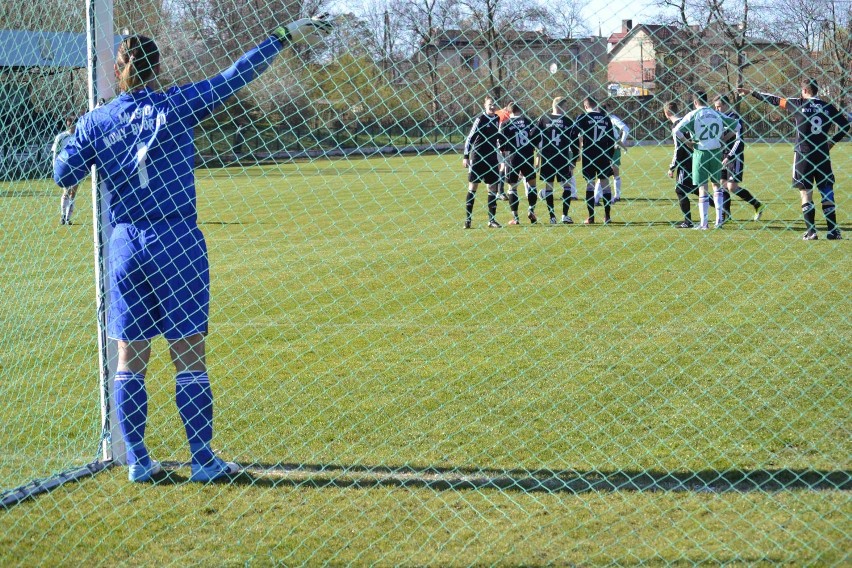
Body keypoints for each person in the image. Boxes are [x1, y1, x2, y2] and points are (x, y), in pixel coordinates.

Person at [53, 16, 333, 482]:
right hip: (176, 239)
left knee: (129, 356)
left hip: (125, 244)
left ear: (117, 70)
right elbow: (233, 77)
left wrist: (65, 148)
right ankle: (202, 458)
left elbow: (65, 175)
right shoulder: (178, 103)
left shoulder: (96, 121)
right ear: (158, 68)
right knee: (187, 353)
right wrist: (281, 38)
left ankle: (140, 462)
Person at [739, 79, 849, 240]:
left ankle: (811, 232)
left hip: (803, 155)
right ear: (816, 91)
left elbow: (774, 99)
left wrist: (751, 92)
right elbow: (845, 125)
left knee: (805, 193)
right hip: (822, 155)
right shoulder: (827, 107)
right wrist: (831, 141)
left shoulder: (798, 104)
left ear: (804, 91)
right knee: (826, 191)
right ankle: (833, 231)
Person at [673, 90, 741, 230]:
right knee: (717, 186)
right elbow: (737, 126)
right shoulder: (716, 113)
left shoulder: (693, 114)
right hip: (716, 152)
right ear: (707, 101)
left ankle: (704, 223)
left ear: (695, 102)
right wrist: (724, 138)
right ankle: (719, 221)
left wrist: (687, 142)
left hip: (700, 152)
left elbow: (676, 130)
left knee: (703, 187)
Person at [712, 94, 765, 223]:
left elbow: (738, 140)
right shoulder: (718, 119)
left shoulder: (735, 118)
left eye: (719, 107)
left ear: (726, 105)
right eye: (715, 107)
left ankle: (757, 205)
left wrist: (730, 155)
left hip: (734, 156)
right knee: (721, 185)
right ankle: (726, 214)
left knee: (732, 187)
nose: (717, 109)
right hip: (721, 155)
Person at [573, 96, 616, 224]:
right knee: (605, 184)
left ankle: (591, 217)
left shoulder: (583, 117)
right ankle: (607, 216)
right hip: (603, 154)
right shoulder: (605, 118)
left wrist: (576, 152)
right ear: (596, 105)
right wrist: (609, 156)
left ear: (585, 107)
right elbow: (611, 139)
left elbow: (573, 133)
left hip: (588, 154)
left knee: (590, 184)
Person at [537, 97, 579, 224]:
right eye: (565, 106)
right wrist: (574, 159)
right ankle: (564, 215)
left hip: (548, 158)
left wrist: (538, 152)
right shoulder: (567, 121)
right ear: (560, 107)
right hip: (563, 158)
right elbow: (575, 142)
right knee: (567, 186)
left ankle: (552, 217)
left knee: (549, 186)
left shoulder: (543, 119)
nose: (566, 109)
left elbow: (533, 136)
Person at [462, 96, 502, 228]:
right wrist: (466, 156)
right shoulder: (480, 119)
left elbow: (497, 138)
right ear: (485, 105)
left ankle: (492, 220)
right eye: (490, 104)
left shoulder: (497, 119)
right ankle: (468, 220)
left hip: (491, 159)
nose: (492, 106)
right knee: (473, 187)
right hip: (478, 157)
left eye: (494, 104)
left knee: (492, 188)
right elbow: (470, 138)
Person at [499, 102, 540, 225]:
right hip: (527, 155)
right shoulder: (528, 122)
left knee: (512, 187)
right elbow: (535, 138)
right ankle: (531, 210)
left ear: (509, 111)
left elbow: (501, 143)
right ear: (520, 109)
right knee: (532, 184)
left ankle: (516, 218)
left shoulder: (505, 124)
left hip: (512, 157)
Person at [663, 101, 699, 228]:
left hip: (686, 161)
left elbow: (678, 148)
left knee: (680, 190)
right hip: (696, 157)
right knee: (696, 189)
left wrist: (672, 167)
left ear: (666, 113)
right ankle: (721, 209)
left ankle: (688, 221)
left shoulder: (676, 126)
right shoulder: (687, 120)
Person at [594, 104, 629, 205]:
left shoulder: (594, 120)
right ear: (607, 110)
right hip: (611, 149)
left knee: (602, 173)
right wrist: (622, 145)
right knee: (612, 173)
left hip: (598, 150)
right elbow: (623, 131)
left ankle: (597, 198)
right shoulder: (610, 120)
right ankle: (615, 196)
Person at [52, 116, 79, 225]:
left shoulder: (79, 136)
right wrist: (55, 167)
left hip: (77, 167)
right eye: (70, 122)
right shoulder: (61, 137)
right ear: (67, 123)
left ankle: (68, 218)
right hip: (64, 167)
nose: (71, 124)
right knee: (66, 192)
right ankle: (63, 216)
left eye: (73, 122)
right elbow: (55, 153)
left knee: (73, 192)